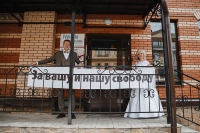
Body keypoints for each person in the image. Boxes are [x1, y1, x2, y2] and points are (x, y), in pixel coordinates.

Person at [31, 39, 82, 119]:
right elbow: (49, 60)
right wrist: (37, 63)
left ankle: (71, 112)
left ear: (70, 46)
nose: (67, 46)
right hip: (59, 77)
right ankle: (61, 112)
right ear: (63, 45)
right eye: (65, 44)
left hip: (70, 77)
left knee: (71, 94)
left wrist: (80, 64)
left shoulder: (74, 54)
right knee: (60, 94)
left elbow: (79, 62)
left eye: (68, 44)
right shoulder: (58, 54)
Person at [124, 49, 164, 118]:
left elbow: (149, 70)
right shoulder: (136, 63)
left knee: (147, 94)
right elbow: (136, 71)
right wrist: (132, 71)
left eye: (141, 53)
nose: (140, 55)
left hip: (146, 81)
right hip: (139, 81)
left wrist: (154, 68)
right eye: (139, 54)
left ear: (144, 54)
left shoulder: (147, 62)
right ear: (137, 55)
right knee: (137, 95)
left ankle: (152, 112)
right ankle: (137, 113)